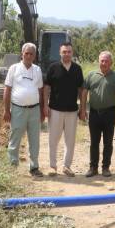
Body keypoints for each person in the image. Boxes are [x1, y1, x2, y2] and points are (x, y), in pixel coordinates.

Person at [80, 51, 115, 177]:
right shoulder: (91, 75)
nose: (104, 63)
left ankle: (106, 168)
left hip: (109, 113)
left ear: (111, 62)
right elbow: (84, 92)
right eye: (102, 61)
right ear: (98, 61)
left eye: (106, 61)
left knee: (108, 142)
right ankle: (93, 168)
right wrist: (83, 110)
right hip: (94, 113)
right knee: (94, 142)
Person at [3, 43, 46, 177]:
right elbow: (7, 89)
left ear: (34, 56)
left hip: (34, 110)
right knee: (15, 138)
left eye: (31, 54)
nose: (28, 56)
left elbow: (40, 91)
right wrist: (6, 110)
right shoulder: (14, 68)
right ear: (22, 54)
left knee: (34, 140)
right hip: (17, 110)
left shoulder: (37, 70)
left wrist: (42, 110)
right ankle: (12, 166)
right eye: (26, 53)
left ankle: (34, 167)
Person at [43, 42, 84, 177]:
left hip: (72, 110)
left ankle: (66, 166)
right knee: (53, 139)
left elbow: (80, 90)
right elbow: (47, 87)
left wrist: (82, 108)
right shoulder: (53, 68)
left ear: (72, 53)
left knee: (70, 140)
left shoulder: (77, 69)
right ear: (60, 53)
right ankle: (52, 166)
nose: (67, 54)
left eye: (69, 52)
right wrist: (45, 105)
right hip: (55, 109)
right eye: (64, 52)